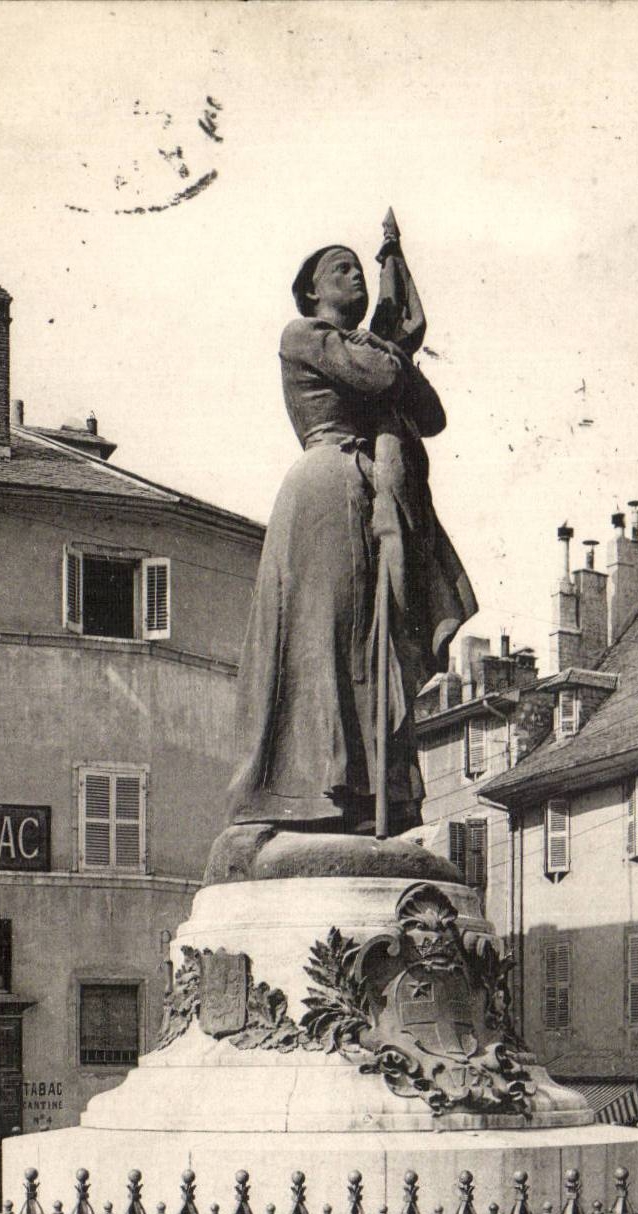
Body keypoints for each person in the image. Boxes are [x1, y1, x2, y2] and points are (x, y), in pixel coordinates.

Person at [226, 244, 476, 835]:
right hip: (326, 491)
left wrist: (395, 350)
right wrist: (396, 348)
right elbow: (382, 374)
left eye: (360, 267)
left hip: (370, 497)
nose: (356, 274)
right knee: (325, 639)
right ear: (312, 290)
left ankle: (370, 795)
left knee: (372, 647)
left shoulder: (369, 346)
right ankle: (309, 792)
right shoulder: (304, 335)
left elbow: (432, 416)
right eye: (340, 269)